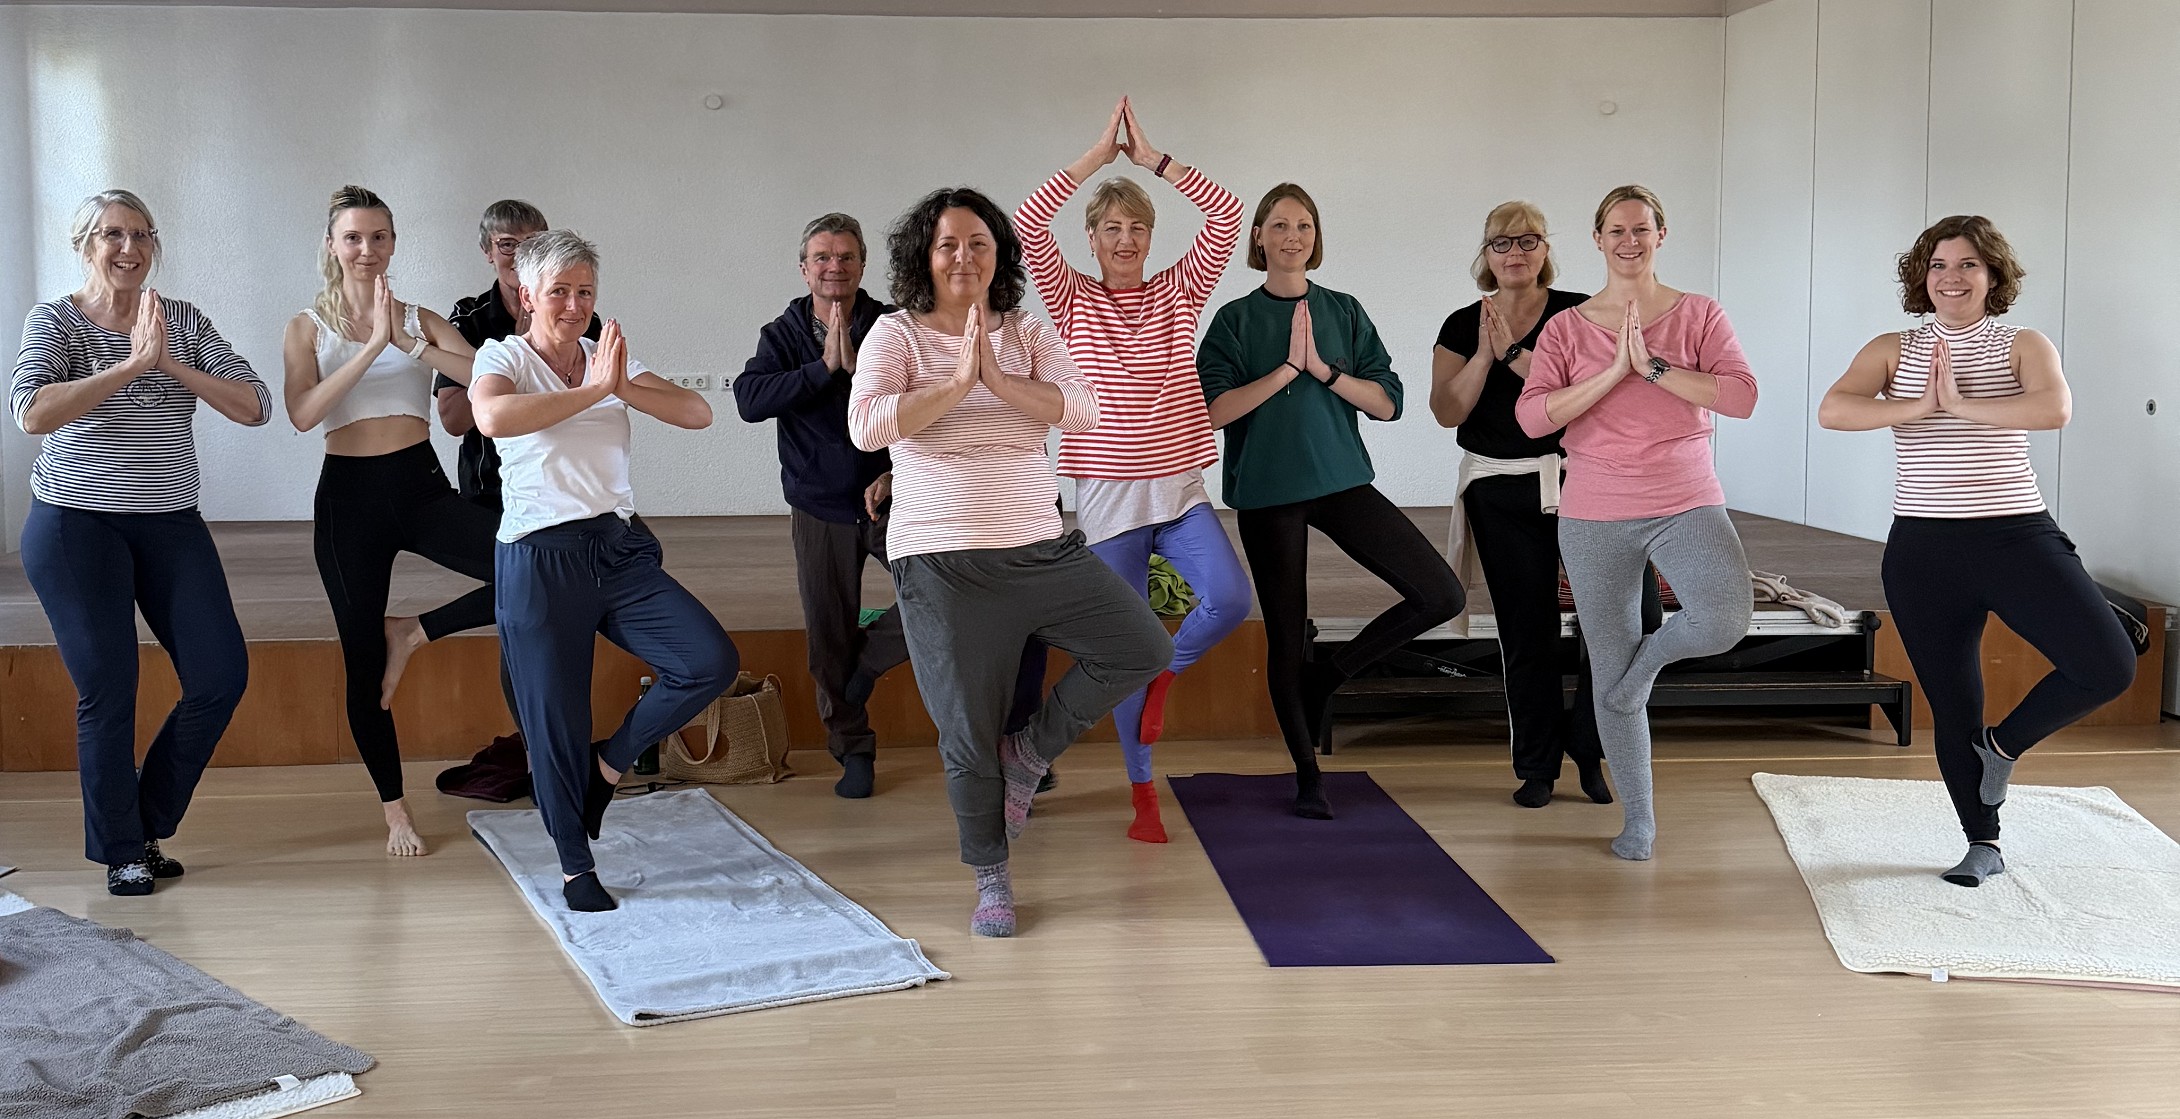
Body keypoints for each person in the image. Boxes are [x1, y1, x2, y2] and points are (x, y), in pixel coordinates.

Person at [849, 187, 1171, 936]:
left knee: (1142, 646)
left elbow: (1084, 409)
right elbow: (866, 427)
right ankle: (991, 877)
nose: (964, 257)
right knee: (966, 732)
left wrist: (997, 380)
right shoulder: (896, 334)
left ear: (999, 255)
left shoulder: (1025, 330)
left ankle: (1029, 752)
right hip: (941, 561)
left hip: (1040, 548)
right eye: (948, 244)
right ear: (925, 256)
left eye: (979, 243)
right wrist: (957, 384)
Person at [1817, 215, 2133, 887]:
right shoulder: (1895, 348)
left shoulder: (2021, 344)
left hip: (2016, 536)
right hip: (1923, 549)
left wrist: (1959, 404)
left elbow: (2052, 410)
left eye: (1967, 265)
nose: (1951, 277)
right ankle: (1981, 842)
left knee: (2108, 664)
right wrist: (1916, 407)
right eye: (1938, 265)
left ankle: (2002, 745)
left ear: (1993, 275)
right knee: (1954, 704)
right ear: (1922, 275)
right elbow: (1835, 410)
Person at [11, 190, 270, 895]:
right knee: (109, 687)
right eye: (112, 234)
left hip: (170, 522)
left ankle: (144, 818)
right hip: (75, 526)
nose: (129, 248)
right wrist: (126, 367)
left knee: (220, 676)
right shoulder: (56, 321)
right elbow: (31, 412)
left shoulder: (180, 320)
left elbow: (255, 405)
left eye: (141, 235)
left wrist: (166, 363)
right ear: (84, 245)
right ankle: (123, 848)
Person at [471, 229, 737, 912]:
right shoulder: (505, 356)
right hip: (538, 558)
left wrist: (616, 384)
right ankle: (574, 866)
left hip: (615, 552)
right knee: (554, 721)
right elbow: (493, 416)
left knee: (707, 660)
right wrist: (594, 394)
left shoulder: (606, 359)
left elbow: (699, 412)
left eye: (584, 291)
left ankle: (609, 764)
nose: (574, 304)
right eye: (559, 291)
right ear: (528, 296)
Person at [1013, 97, 1251, 842]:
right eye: (1111, 228)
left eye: (1137, 227)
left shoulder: (1180, 289)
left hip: (1179, 492)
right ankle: (1142, 795)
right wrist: (1096, 158)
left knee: (1229, 599)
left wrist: (1153, 162)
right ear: (1091, 238)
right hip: (1110, 502)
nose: (1125, 239)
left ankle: (1165, 671)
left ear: (1151, 236)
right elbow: (1026, 224)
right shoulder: (1071, 297)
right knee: (1122, 652)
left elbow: (1228, 215)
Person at [1198, 183, 1464, 820]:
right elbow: (1215, 410)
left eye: (1304, 226)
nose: (1292, 236)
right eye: (1279, 225)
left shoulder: (1342, 309)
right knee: (1286, 634)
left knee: (1441, 594)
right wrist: (1286, 370)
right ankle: (1307, 774)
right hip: (1267, 493)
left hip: (1341, 481)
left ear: (1316, 238)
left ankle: (1330, 674)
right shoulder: (1235, 319)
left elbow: (1388, 403)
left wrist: (1322, 369)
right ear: (1258, 237)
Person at [1515, 184, 1758, 862]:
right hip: (1595, 510)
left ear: (1660, 235)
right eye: (1616, 230)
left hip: (1686, 496)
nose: (1630, 240)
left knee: (1724, 619)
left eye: (1641, 229)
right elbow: (1532, 418)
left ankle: (1642, 669)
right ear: (1597, 239)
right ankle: (1640, 821)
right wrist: (1612, 372)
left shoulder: (1699, 313)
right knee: (1607, 659)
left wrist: (1651, 367)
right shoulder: (1566, 328)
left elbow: (1740, 396)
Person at [281, 185, 496, 857]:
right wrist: (373, 347)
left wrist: (407, 340)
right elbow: (303, 413)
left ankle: (414, 630)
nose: (366, 249)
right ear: (331, 245)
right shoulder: (306, 328)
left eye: (378, 236)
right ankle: (395, 811)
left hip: (420, 487)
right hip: (348, 501)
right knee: (361, 663)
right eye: (353, 237)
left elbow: (488, 378)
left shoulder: (420, 319)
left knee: (529, 565)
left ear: (394, 243)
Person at [1431, 201, 1611, 809]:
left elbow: (1592, 396)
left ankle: (1589, 745)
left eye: (1528, 240)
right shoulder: (1463, 324)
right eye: (1502, 243)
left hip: (1584, 481)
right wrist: (1486, 354)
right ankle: (1537, 765)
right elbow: (1447, 411)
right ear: (1485, 253)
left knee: (1616, 621)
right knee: (1525, 630)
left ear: (1546, 248)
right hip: (1500, 490)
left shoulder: (1579, 313)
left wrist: (1513, 353)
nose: (1515, 252)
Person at [735, 212, 907, 799]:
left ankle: (867, 664)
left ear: (862, 265)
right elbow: (750, 400)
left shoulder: (891, 326)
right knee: (827, 637)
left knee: (938, 593)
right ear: (804, 268)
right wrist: (824, 368)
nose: (835, 267)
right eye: (823, 257)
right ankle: (853, 749)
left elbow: (925, 406)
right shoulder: (782, 334)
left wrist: (894, 466)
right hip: (819, 508)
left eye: (846, 257)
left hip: (893, 499)